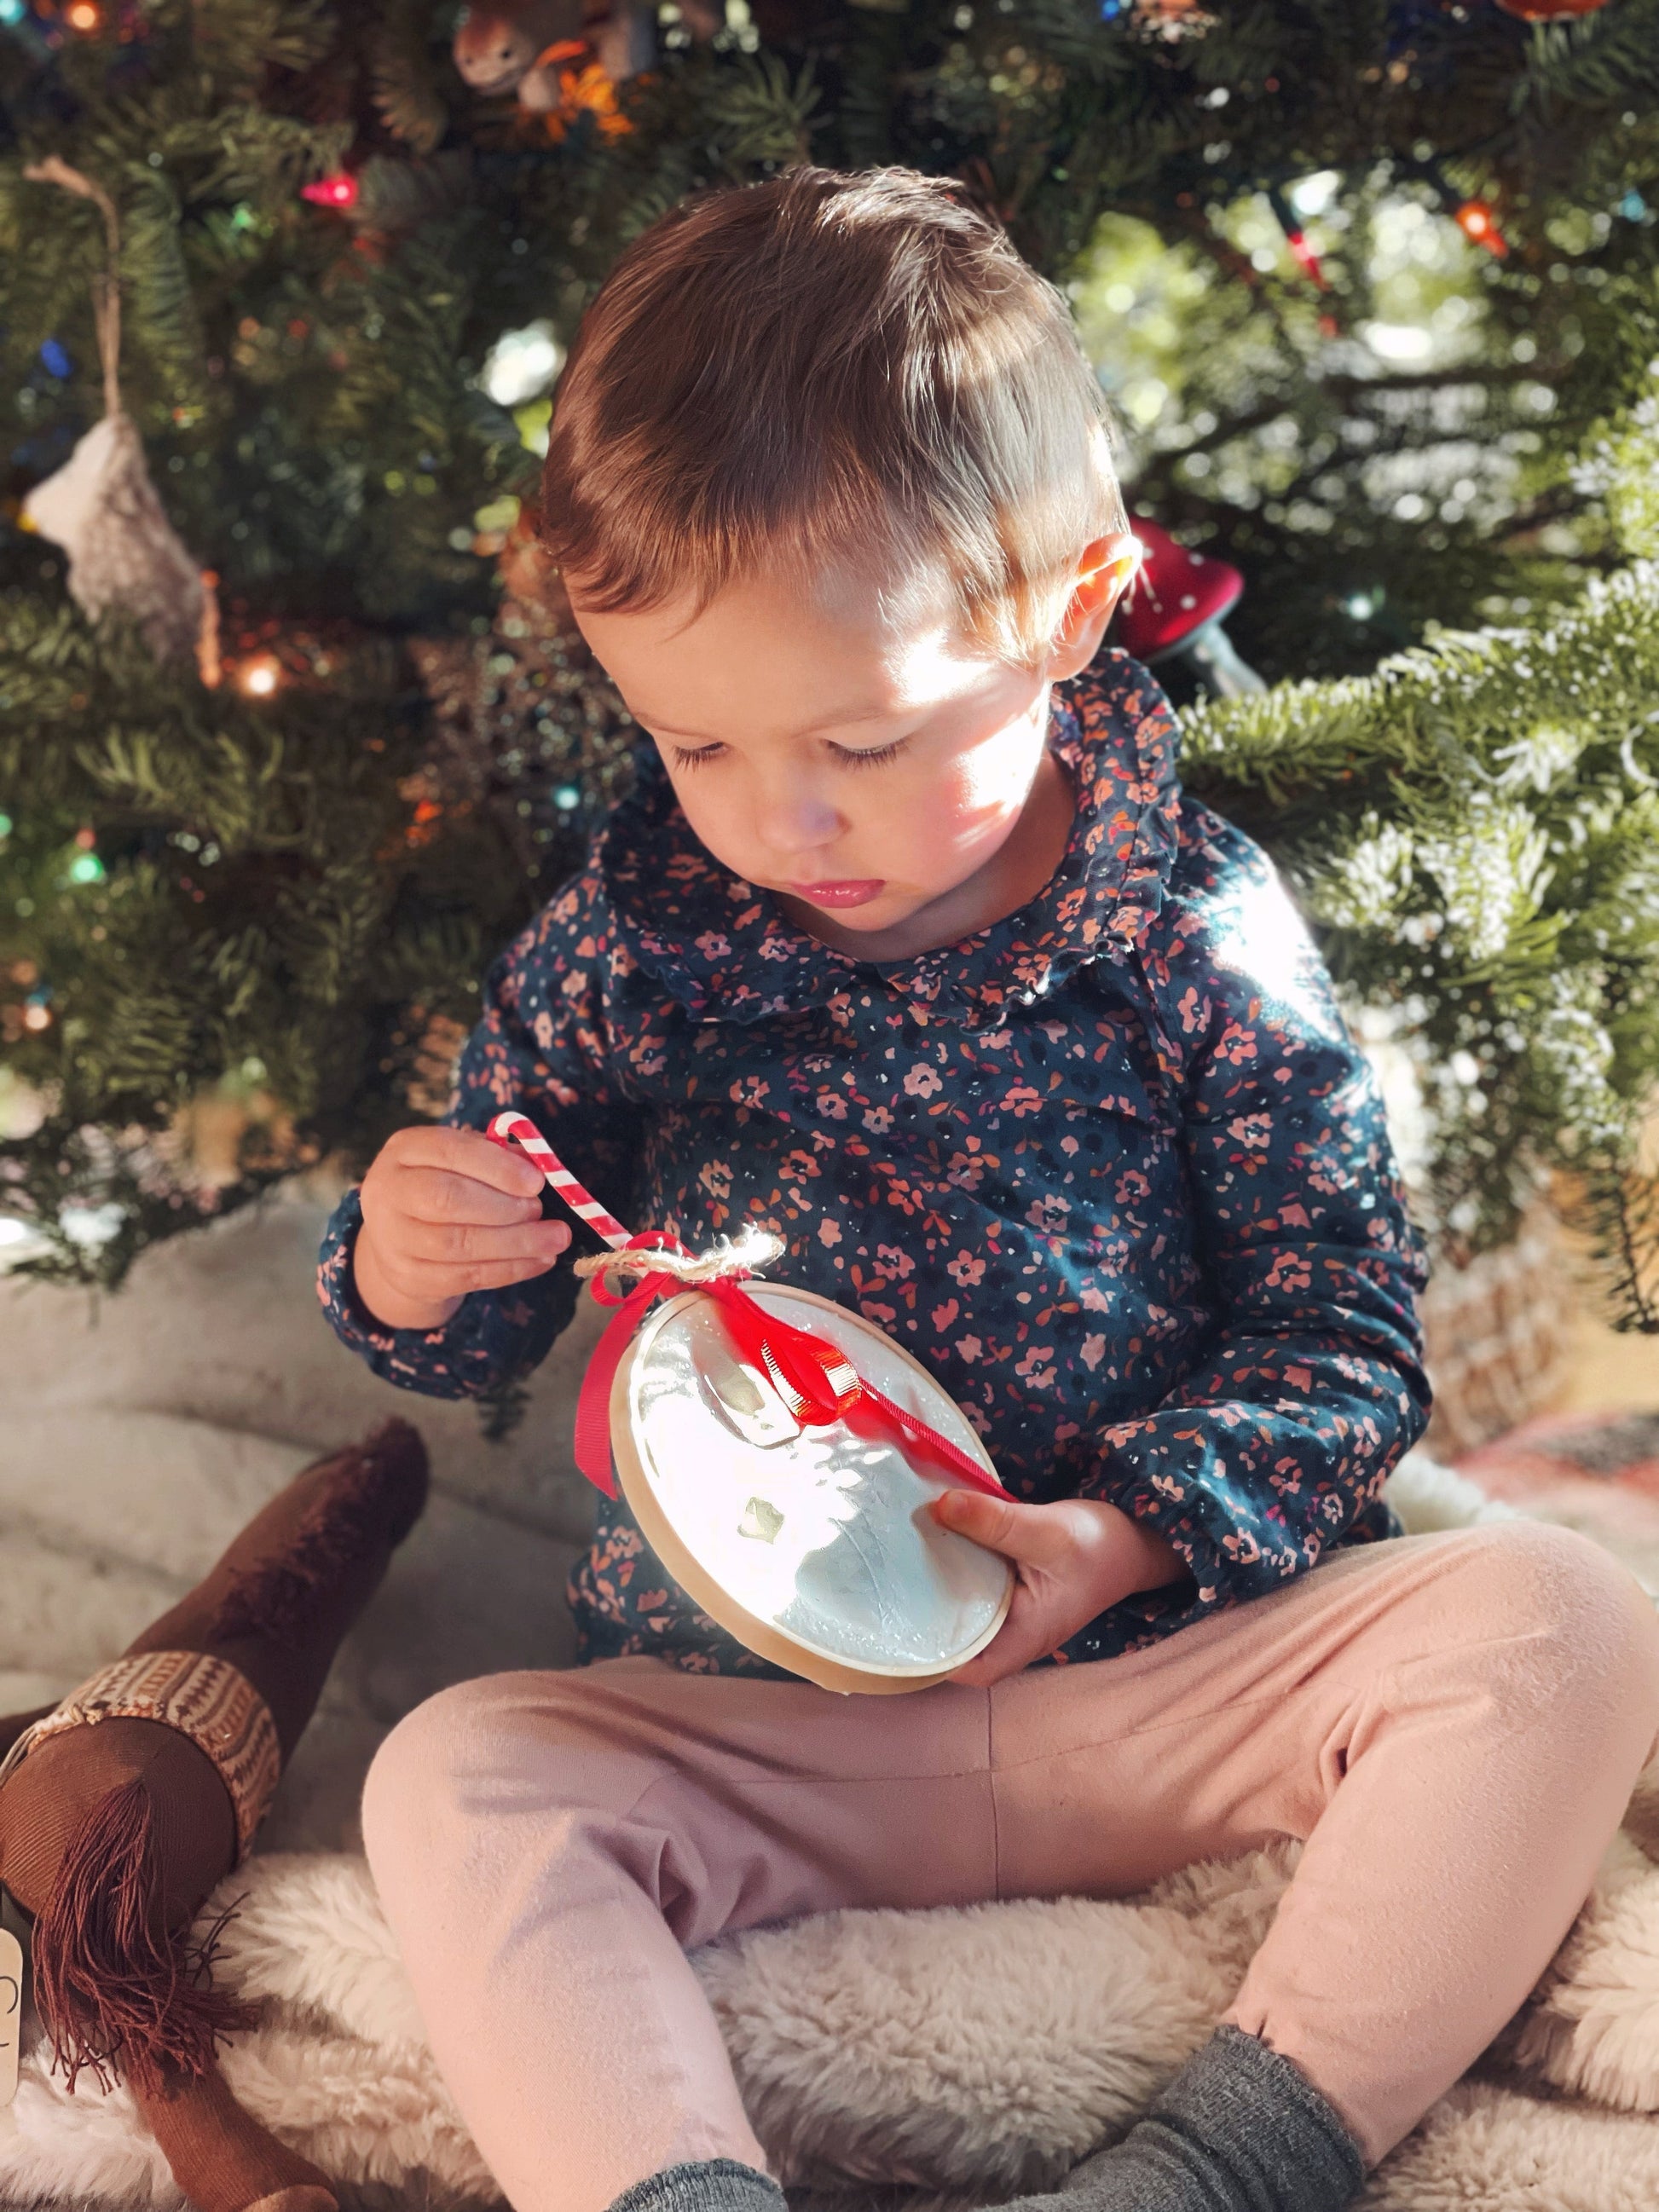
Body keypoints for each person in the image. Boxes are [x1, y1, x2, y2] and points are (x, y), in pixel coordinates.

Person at [316, 166, 1659, 2212]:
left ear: (1070, 608)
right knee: (454, 1774)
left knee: (1561, 1618)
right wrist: (416, 1255)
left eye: (864, 736)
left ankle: (1220, 2161)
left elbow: (1343, 1322)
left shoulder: (1190, 922)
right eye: (696, 743)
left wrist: (1127, 1531)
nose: (784, 818)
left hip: (1169, 1683)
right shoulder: (632, 934)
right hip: (767, 1716)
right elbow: (505, 1262)